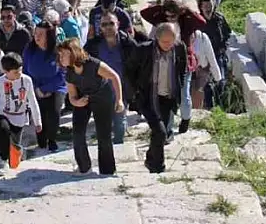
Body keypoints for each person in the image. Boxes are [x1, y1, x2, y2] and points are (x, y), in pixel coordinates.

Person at [126, 22, 188, 174]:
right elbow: (129, 71)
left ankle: (150, 159)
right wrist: (134, 93)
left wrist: (179, 87)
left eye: (171, 41)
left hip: (168, 96)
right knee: (160, 132)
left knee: (161, 133)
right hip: (148, 97)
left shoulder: (180, 48)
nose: (168, 45)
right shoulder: (143, 50)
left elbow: (183, 70)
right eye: (164, 42)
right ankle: (158, 167)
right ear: (156, 39)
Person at [58, 38, 124, 175]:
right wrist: (77, 102)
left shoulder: (93, 64)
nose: (61, 57)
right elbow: (72, 96)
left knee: (103, 134)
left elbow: (114, 77)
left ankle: (107, 170)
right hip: (84, 99)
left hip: (102, 96)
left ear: (73, 53)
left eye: (63, 54)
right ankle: (84, 168)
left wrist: (119, 100)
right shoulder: (69, 72)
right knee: (77, 132)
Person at [139, 0, 206, 130]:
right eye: (167, 15)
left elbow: (202, 22)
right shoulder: (161, 21)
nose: (170, 18)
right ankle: (167, 127)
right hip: (164, 62)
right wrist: (161, 7)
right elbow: (144, 13)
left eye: (173, 15)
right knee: (167, 95)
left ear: (179, 13)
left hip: (183, 62)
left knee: (184, 93)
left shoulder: (186, 21)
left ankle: (185, 119)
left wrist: (186, 9)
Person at [85, 11, 139, 144]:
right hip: (101, 92)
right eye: (104, 24)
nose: (108, 27)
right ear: (100, 27)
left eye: (111, 23)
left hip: (122, 90)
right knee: (103, 124)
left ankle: (119, 146)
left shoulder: (127, 43)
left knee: (119, 122)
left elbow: (138, 64)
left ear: (118, 24)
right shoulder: (93, 45)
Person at [0, 52, 42, 169]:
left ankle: (15, 156)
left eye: (20, 70)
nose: (19, 73)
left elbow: (33, 102)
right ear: (6, 71)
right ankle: (3, 160)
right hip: (3, 113)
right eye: (15, 72)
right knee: (3, 130)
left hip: (19, 117)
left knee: (15, 152)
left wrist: (37, 122)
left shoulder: (27, 80)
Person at [22, 21, 66, 152]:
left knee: (53, 112)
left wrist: (46, 89)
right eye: (36, 33)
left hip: (56, 87)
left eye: (41, 34)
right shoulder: (29, 50)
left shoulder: (58, 51)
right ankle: (41, 140)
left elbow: (63, 74)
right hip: (35, 87)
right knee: (39, 114)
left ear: (49, 35)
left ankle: (52, 139)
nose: (37, 36)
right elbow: (25, 71)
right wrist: (36, 88)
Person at [199, 0, 231, 108]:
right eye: (206, 6)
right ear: (201, 7)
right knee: (206, 84)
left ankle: (220, 106)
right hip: (204, 57)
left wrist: (224, 47)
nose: (208, 8)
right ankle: (209, 107)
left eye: (210, 6)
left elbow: (227, 33)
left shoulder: (219, 19)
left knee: (220, 82)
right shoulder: (198, 21)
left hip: (218, 55)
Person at [190, 25, 222, 110]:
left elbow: (211, 57)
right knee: (191, 92)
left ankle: (197, 111)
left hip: (202, 70)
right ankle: (191, 112)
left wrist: (217, 77)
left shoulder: (203, 38)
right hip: (190, 70)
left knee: (198, 91)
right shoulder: (182, 37)